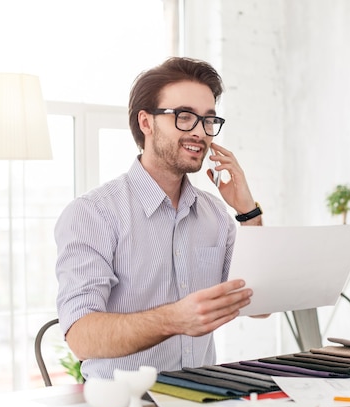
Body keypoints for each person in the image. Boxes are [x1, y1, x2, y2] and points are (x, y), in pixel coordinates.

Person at [55, 56, 263, 380]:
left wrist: (247, 210)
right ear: (146, 123)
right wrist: (174, 319)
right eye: (184, 117)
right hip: (126, 405)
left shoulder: (217, 216)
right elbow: (81, 337)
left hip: (205, 399)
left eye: (208, 120)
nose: (200, 133)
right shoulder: (93, 214)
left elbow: (260, 306)